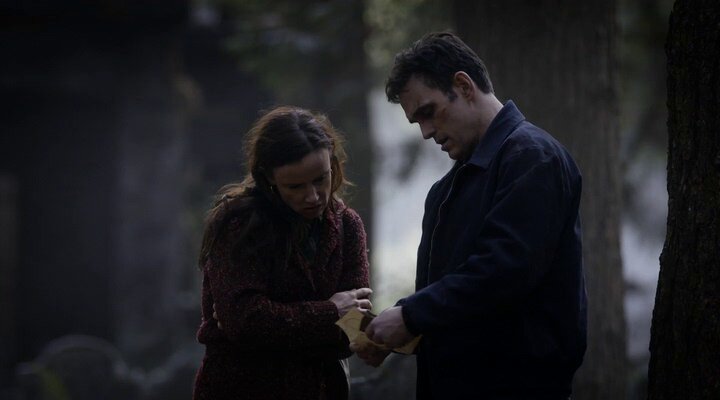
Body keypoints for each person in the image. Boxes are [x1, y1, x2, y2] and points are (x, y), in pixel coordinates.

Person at [354, 32, 587, 399]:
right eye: (417, 122)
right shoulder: (446, 189)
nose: (426, 132)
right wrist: (397, 326)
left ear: (463, 86)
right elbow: (453, 288)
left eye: (428, 112)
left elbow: (505, 270)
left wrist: (410, 316)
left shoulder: (532, 158)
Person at [192, 106, 372, 400]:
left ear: (333, 165)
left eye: (320, 179)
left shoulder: (347, 225)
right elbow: (244, 322)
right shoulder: (240, 225)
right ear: (269, 178)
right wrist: (330, 312)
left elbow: (352, 328)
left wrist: (275, 323)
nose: (312, 196)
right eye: (295, 186)